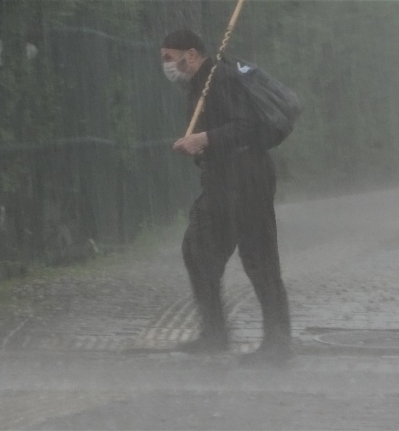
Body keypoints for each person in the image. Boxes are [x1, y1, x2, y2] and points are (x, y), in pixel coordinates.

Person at [161, 29, 292, 364]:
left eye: (168, 57)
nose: (167, 65)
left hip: (246, 175)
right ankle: (215, 334)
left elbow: (246, 126)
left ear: (190, 54)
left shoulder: (220, 79)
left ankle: (277, 343)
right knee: (198, 249)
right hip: (221, 179)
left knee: (258, 257)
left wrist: (203, 139)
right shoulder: (199, 84)